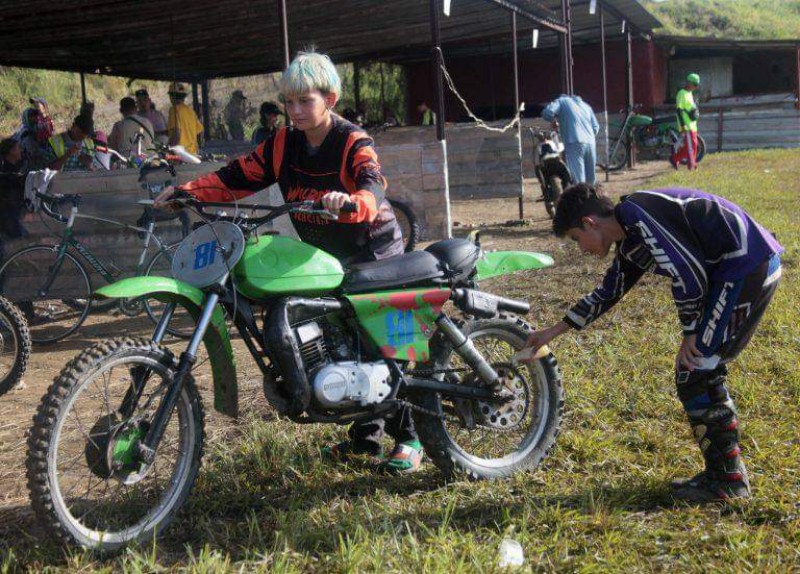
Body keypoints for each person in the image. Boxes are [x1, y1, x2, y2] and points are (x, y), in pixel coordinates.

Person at [154, 51, 421, 474]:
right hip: (324, 255)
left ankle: (409, 436)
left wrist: (354, 201)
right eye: (289, 102)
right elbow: (235, 176)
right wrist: (188, 191)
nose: (295, 111)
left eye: (305, 101)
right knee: (336, 339)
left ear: (329, 99)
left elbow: (373, 180)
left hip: (371, 249)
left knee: (376, 343)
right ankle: (365, 440)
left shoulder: (352, 141)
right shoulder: (282, 143)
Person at [521, 184, 783, 503]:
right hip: (740, 267)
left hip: (746, 265)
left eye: (577, 239)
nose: (581, 248)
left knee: (696, 371)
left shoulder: (638, 214)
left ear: (590, 223)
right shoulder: (633, 238)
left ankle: (729, 481)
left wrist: (690, 330)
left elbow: (687, 271)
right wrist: (552, 331)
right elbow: (609, 292)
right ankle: (723, 474)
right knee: (697, 372)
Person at [541, 94, 599, 185]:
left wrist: (553, 120)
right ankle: (591, 197)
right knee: (590, 181)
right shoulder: (586, 106)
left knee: (579, 181)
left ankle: (579, 198)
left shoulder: (562, 101)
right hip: (590, 143)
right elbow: (596, 127)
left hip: (574, 142)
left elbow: (547, 112)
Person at [671, 73, 701, 171]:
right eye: (695, 85)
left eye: (697, 85)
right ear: (689, 83)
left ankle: (674, 159)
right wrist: (683, 125)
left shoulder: (690, 94)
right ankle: (691, 165)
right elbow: (679, 110)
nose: (695, 87)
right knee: (691, 146)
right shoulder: (681, 93)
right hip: (686, 125)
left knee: (694, 145)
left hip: (692, 125)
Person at [167, 82, 204, 155]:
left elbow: (177, 133)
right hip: (193, 154)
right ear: (183, 97)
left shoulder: (174, 110)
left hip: (181, 155)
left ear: (171, 96)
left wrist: (169, 150)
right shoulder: (190, 111)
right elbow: (199, 131)